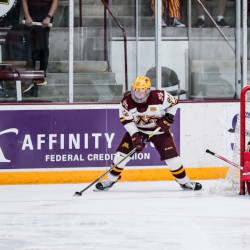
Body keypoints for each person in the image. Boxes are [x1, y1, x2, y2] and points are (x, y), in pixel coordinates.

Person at [95, 76, 202, 191]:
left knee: (173, 160)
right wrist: (135, 135)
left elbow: (174, 104)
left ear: (148, 91)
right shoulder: (126, 103)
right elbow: (126, 121)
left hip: (159, 132)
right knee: (120, 156)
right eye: (136, 92)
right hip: (139, 131)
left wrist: (168, 117)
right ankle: (110, 180)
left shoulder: (160, 96)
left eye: (142, 92)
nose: (138, 95)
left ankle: (184, 182)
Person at [21, 0, 58, 93]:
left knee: (43, 46)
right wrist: (28, 16)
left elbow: (55, 1)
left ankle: (41, 75)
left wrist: (49, 17)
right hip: (31, 14)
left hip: (45, 14)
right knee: (30, 47)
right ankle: (30, 77)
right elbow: (24, 1)